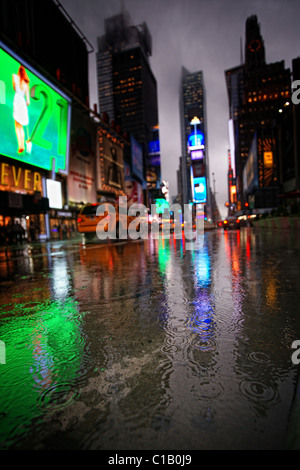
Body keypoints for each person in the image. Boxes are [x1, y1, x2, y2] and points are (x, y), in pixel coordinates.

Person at [12, 65, 30, 154]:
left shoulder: (14, 77)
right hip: (22, 103)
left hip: (17, 100)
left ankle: (20, 145)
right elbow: (28, 101)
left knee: (17, 125)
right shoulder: (26, 84)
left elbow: (14, 88)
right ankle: (22, 145)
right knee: (21, 126)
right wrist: (25, 104)